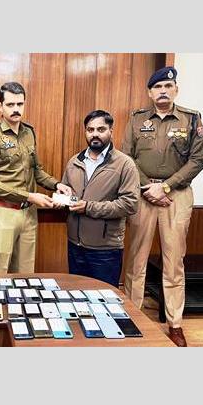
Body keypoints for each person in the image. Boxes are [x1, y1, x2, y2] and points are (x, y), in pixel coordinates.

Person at [122, 67, 203, 346]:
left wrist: (166, 186)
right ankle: (133, 318)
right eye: (158, 87)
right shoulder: (136, 119)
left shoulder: (191, 119)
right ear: (150, 92)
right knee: (136, 260)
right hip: (142, 194)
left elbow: (197, 160)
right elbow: (126, 157)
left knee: (174, 262)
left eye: (168, 86)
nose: (163, 91)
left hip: (176, 195)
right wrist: (149, 187)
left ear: (176, 90)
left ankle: (175, 324)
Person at [0, 81, 72, 274]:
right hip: (3, 213)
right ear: (0, 106)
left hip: (28, 213)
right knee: (0, 274)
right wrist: (29, 196)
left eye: (20, 104)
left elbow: (36, 170)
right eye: (10, 104)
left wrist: (56, 184)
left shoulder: (28, 132)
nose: (16, 109)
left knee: (25, 274)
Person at [61, 110, 140, 286]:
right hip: (75, 246)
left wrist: (88, 207)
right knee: (76, 295)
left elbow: (130, 204)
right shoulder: (74, 161)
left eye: (101, 129)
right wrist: (61, 198)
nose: (95, 134)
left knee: (105, 297)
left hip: (105, 250)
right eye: (90, 130)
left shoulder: (125, 164)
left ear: (111, 131)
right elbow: (66, 192)